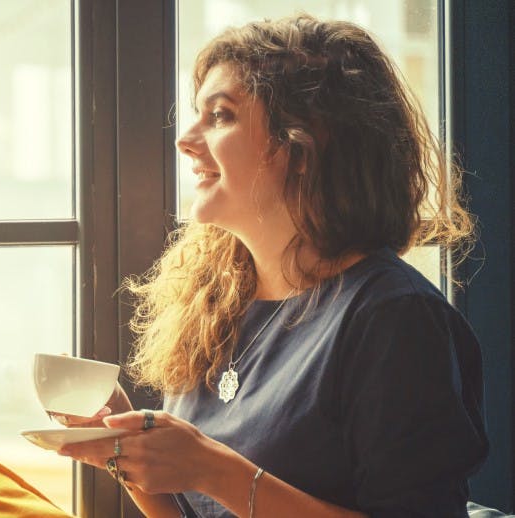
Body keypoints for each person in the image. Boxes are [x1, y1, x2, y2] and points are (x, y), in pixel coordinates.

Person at [54, 15, 487, 517]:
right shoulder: (216, 301)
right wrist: (126, 453)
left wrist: (210, 468)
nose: (185, 139)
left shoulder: (395, 317)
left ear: (303, 146)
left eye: (220, 116)